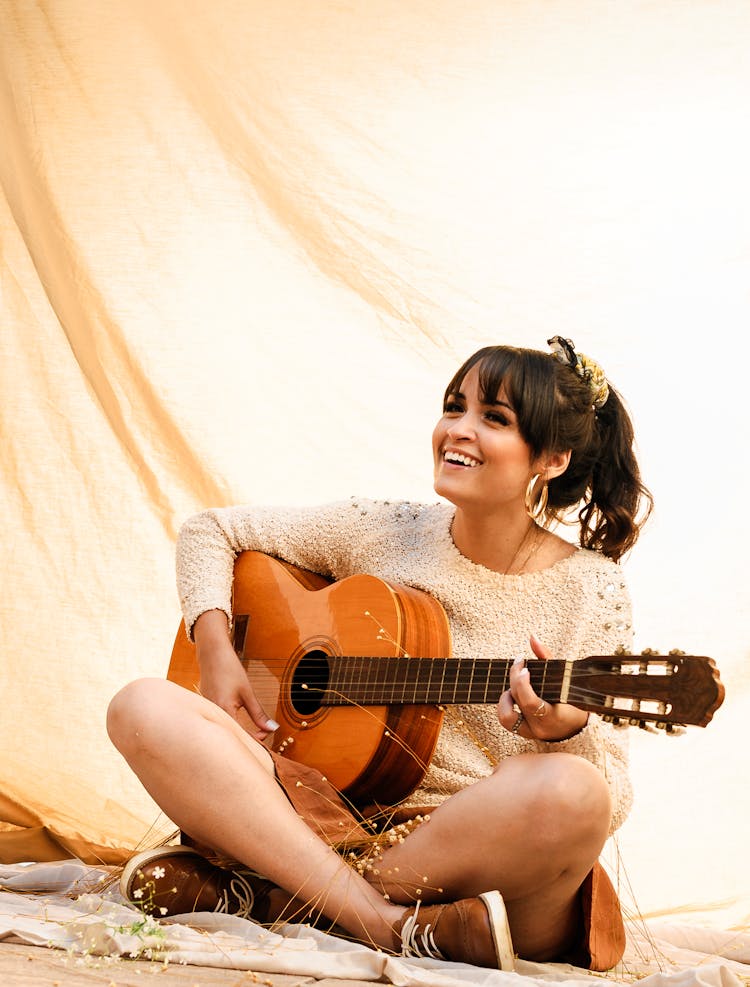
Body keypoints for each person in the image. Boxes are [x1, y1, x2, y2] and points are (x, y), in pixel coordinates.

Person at [107, 337, 652, 971]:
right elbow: (212, 530)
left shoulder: (591, 587)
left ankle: (273, 890)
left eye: (494, 419)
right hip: (331, 815)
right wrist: (217, 646)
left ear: (552, 459)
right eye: (455, 407)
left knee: (575, 792)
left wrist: (568, 731)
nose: (459, 430)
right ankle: (384, 924)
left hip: (462, 850)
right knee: (141, 705)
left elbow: (612, 790)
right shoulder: (386, 528)